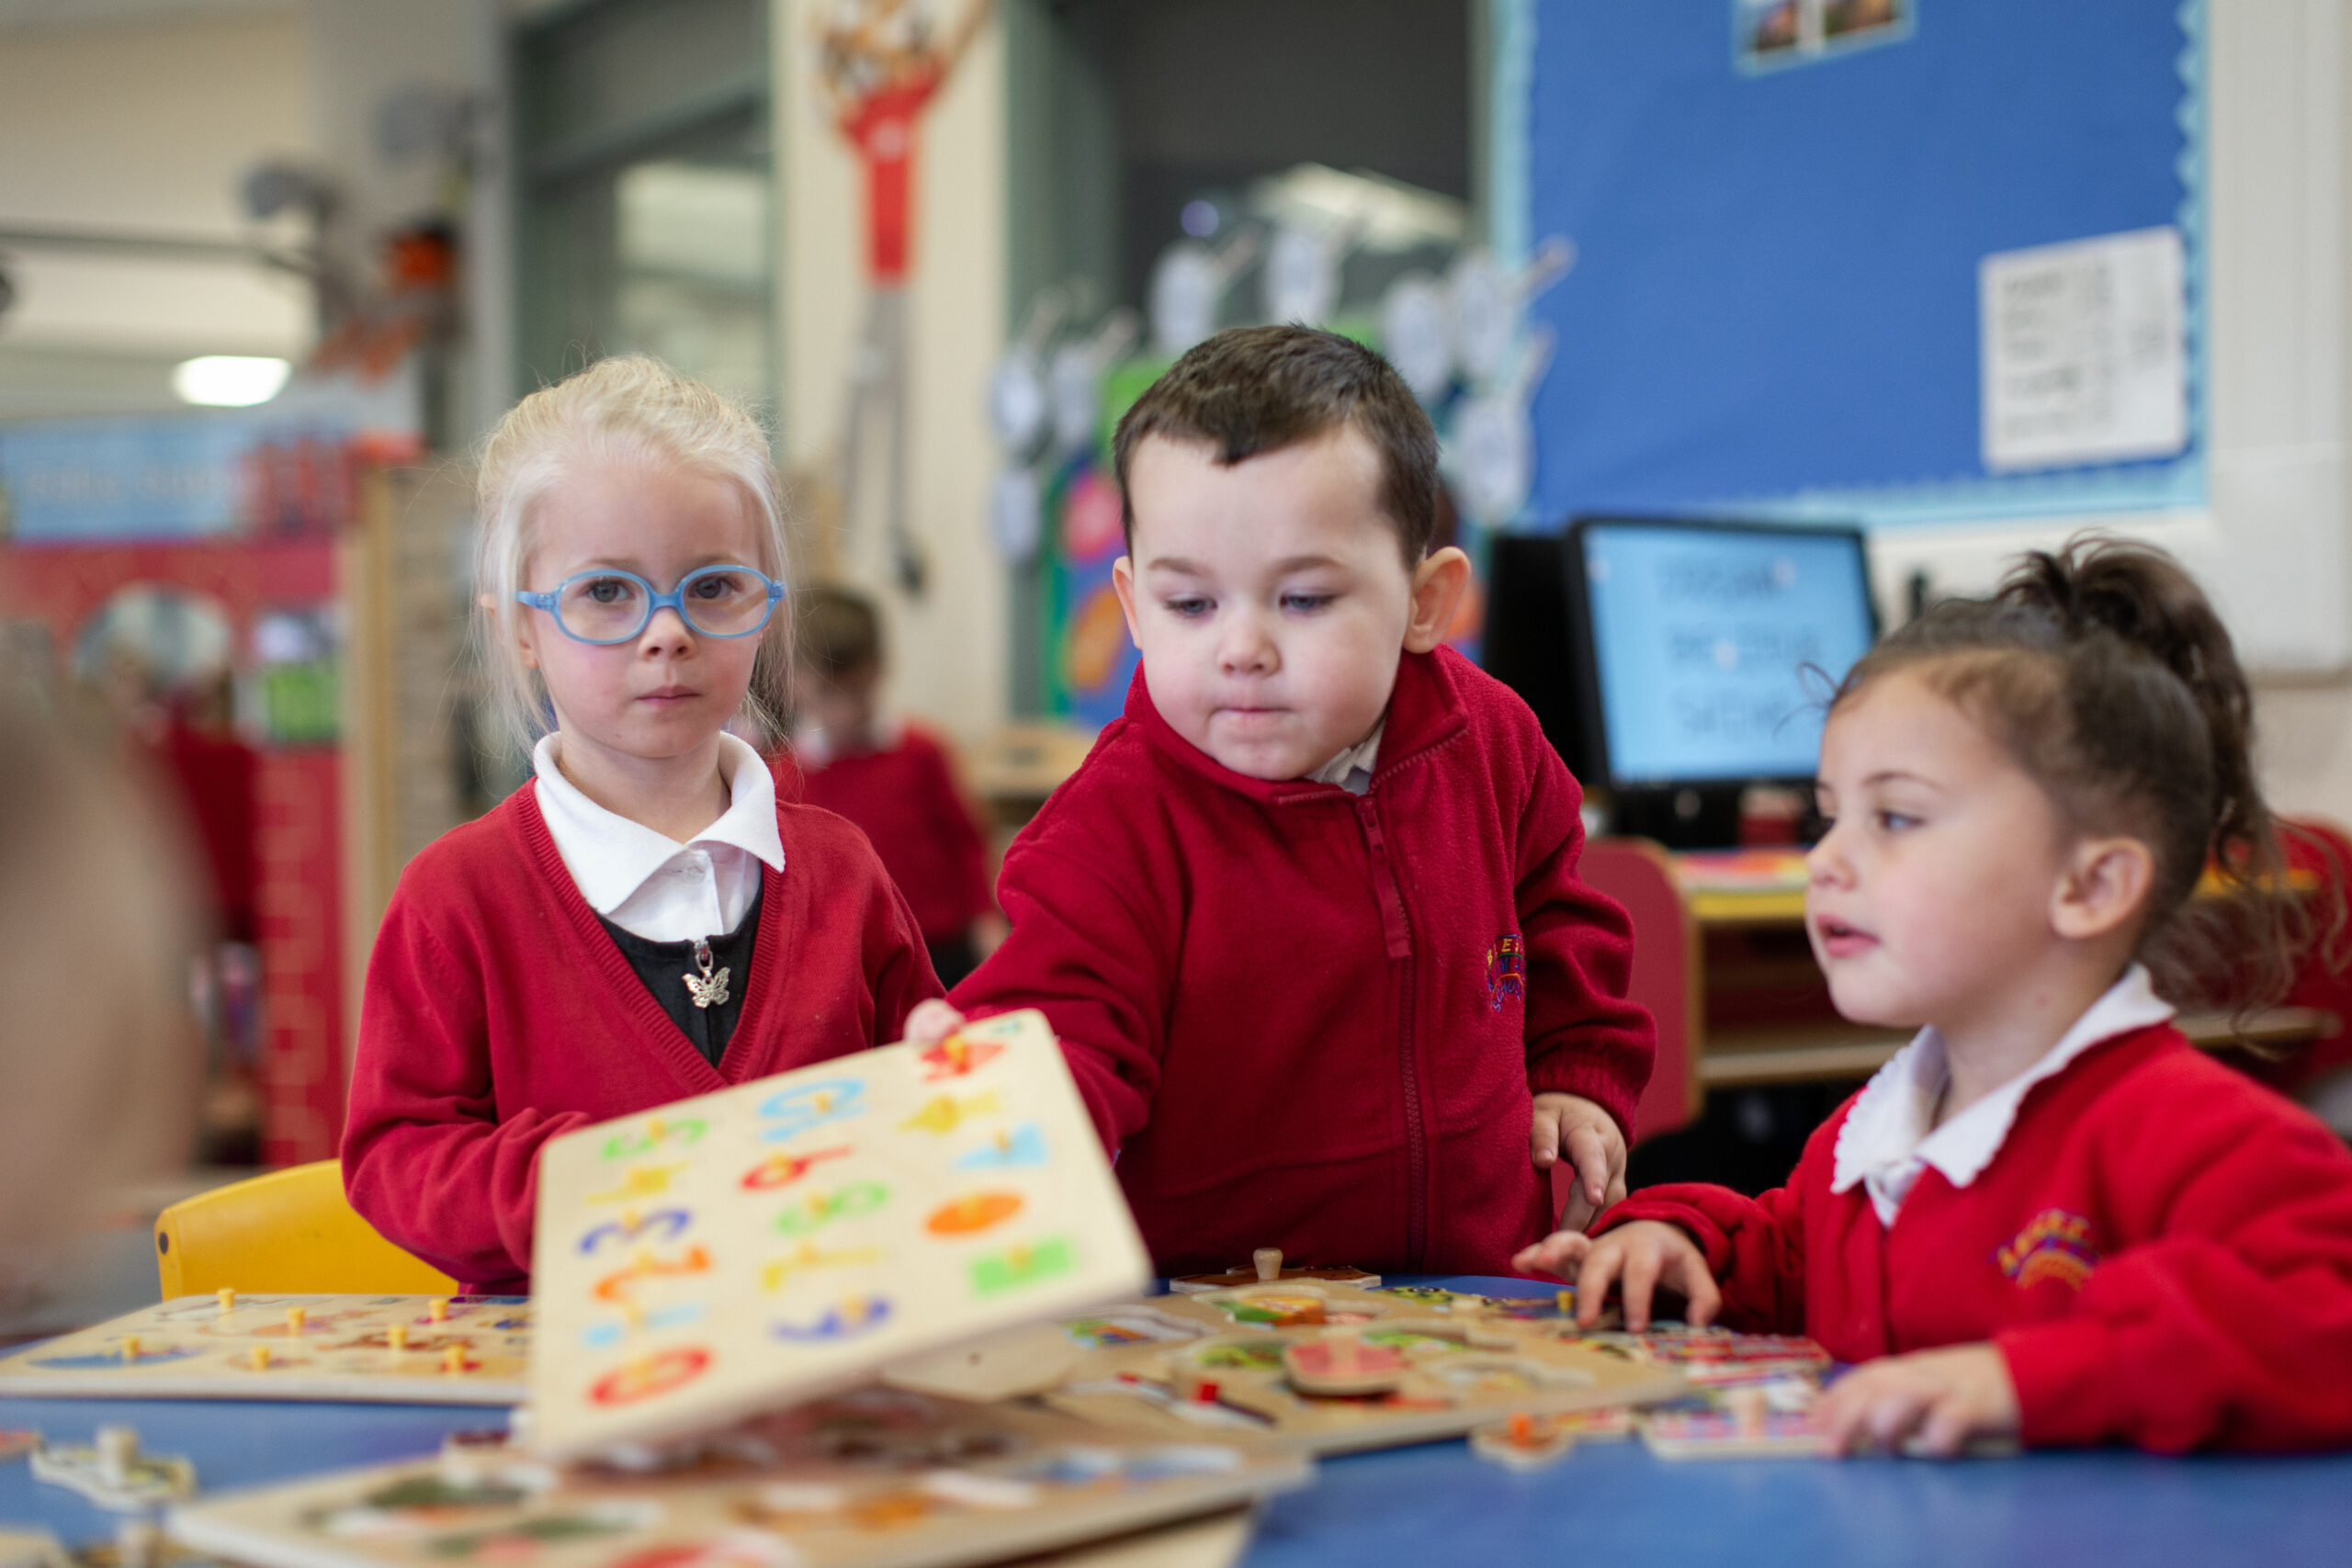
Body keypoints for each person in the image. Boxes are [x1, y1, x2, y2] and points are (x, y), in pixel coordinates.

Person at [1516, 538, 2352, 1454]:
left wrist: (2022, 1377)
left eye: (1896, 817)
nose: (1824, 861)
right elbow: (1790, 1253)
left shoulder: (2195, 1133)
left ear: (2090, 886)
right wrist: (1678, 1245)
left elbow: (2323, 1317)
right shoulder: (1872, 1131)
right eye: (1829, 816)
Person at [910, 326, 1654, 1276]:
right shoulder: (1112, 825)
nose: (1242, 650)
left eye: (1301, 599)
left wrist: (1574, 1072)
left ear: (1426, 602)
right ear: (1133, 607)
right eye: (1191, 605)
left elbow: (1558, 919)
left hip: (1484, 1293)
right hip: (1227, 1318)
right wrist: (1000, 1102)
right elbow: (1064, 1019)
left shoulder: (1491, 739)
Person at [342, 356, 941, 1293]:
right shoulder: (457, 897)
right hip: (563, 1360)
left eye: (712, 586)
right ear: (521, 629)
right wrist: (603, 1186)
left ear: (764, 609)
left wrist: (945, 1077)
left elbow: (919, 1113)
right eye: (607, 592)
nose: (667, 632)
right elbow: (395, 1159)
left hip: (824, 1343)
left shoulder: (841, 870)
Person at [786, 585, 1005, 987]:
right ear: (794, 682)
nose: (845, 712)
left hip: (941, 946)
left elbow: (966, 842)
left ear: (878, 670)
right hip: (850, 960)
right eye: (828, 694)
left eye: (858, 692)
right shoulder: (783, 777)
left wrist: (985, 920)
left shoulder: (921, 752)